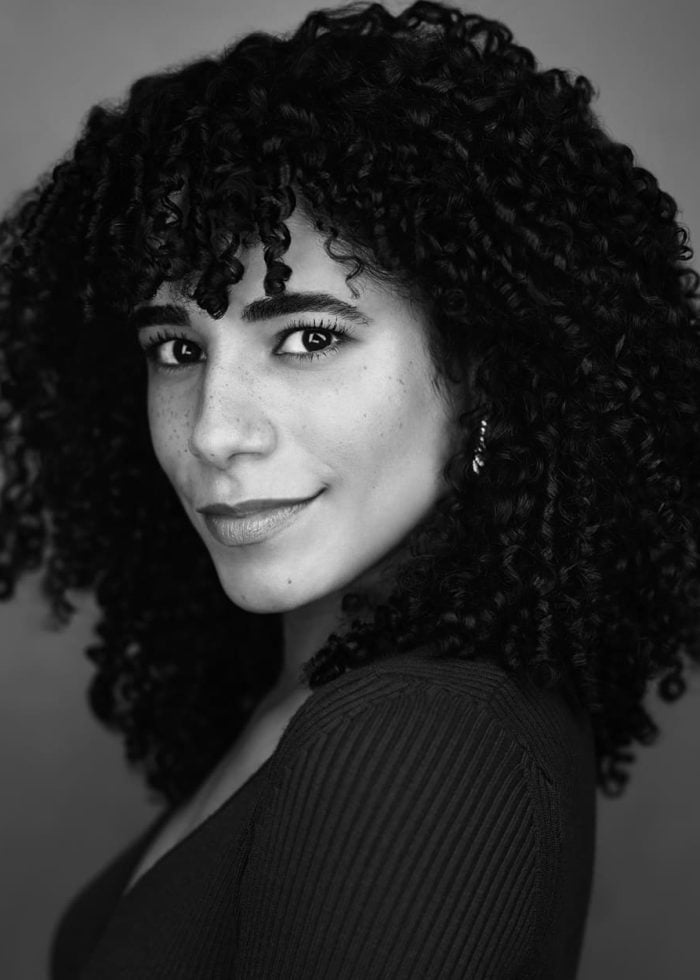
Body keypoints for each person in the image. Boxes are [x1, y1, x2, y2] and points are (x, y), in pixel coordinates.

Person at [1, 0, 698, 976]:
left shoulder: (415, 741)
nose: (213, 430)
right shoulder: (324, 686)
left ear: (484, 373)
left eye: (308, 337)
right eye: (177, 349)